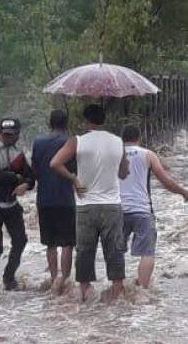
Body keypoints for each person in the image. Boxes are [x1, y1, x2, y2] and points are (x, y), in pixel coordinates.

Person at [50, 103, 129, 302]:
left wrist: (74, 178)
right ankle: (117, 290)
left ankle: (85, 292)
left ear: (86, 121)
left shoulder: (77, 141)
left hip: (86, 205)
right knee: (115, 249)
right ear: (104, 120)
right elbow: (123, 173)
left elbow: (55, 163)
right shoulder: (118, 141)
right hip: (112, 205)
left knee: (85, 250)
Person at [120, 124, 188, 289]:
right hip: (142, 210)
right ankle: (143, 291)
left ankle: (118, 288)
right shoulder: (148, 154)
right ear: (139, 138)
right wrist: (183, 192)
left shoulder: (114, 155)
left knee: (117, 252)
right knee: (147, 253)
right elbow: (165, 180)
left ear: (122, 138)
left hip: (118, 211)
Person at [0, 117, 35, 294]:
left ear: (18, 135)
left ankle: (8, 277)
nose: (9, 138)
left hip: (12, 205)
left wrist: (25, 184)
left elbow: (30, 177)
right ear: (0, 132)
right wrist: (16, 178)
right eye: (6, 135)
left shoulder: (17, 151)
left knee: (20, 241)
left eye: (12, 135)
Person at [31, 109, 77, 291]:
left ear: (49, 123)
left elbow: (34, 170)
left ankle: (53, 278)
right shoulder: (71, 142)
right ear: (66, 124)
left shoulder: (38, 142)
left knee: (50, 243)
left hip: (44, 199)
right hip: (65, 198)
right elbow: (75, 172)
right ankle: (64, 280)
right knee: (67, 243)